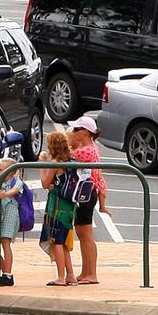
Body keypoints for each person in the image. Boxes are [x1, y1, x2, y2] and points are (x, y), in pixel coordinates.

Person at [66, 116, 108, 285]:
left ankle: (91, 273)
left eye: (76, 130)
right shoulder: (91, 148)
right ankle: (86, 272)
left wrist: (68, 140)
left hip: (87, 193)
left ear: (85, 132)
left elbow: (66, 156)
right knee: (83, 234)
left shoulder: (86, 151)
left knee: (85, 234)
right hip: (89, 192)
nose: (74, 133)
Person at [39, 132, 78, 286]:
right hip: (69, 205)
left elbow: (44, 183)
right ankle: (70, 275)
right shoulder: (70, 160)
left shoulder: (56, 162)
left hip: (57, 206)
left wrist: (42, 164)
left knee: (58, 242)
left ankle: (61, 277)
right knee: (63, 242)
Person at [0, 157, 22, 286]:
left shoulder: (16, 182)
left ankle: (7, 273)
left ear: (11, 171)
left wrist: (5, 195)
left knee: (5, 242)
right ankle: (3, 271)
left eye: (2, 170)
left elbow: (16, 190)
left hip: (10, 211)